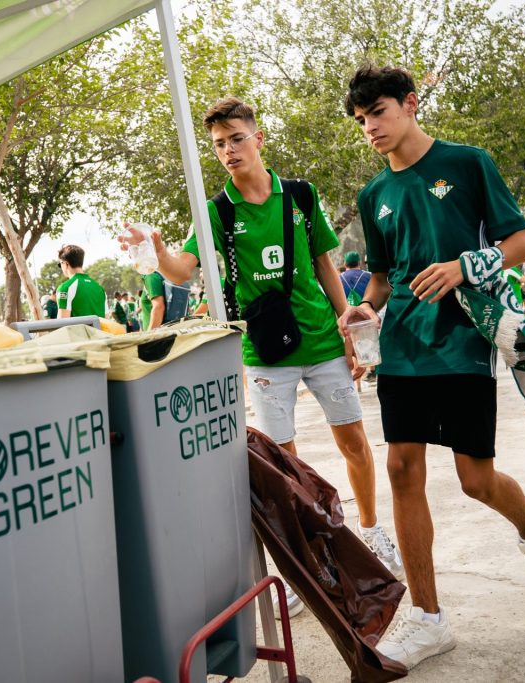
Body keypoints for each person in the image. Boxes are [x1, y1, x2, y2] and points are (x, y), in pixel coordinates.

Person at [340, 64, 525, 669]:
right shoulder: (374, 196)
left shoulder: (468, 163)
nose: (371, 128)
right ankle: (427, 618)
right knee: (400, 467)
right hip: (404, 348)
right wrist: (364, 311)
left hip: (465, 339)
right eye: (362, 120)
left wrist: (465, 266)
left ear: (411, 104)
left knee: (476, 479)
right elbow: (385, 279)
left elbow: (523, 242)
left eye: (379, 113)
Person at [119, 96, 403, 578]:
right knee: (283, 459)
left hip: (321, 340)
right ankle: (304, 557)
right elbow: (183, 273)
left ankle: (373, 530)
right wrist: (158, 252)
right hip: (264, 352)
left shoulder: (299, 195)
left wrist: (348, 324)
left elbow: (323, 264)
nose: (229, 150)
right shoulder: (213, 212)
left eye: (236, 139)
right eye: (219, 145)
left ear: (258, 138)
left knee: (353, 441)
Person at [56, 245, 106, 319]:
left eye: (60, 264)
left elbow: (62, 324)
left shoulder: (65, 288)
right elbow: (107, 320)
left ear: (65, 264)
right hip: (99, 330)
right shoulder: (100, 288)